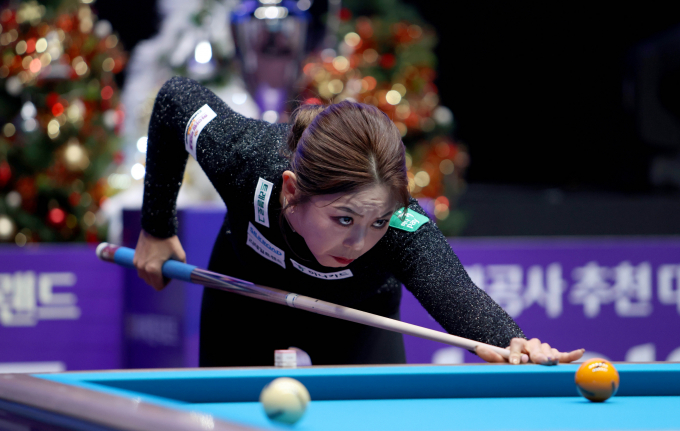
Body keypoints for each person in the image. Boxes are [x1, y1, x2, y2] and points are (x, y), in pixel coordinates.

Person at [134, 76, 584, 367]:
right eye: (344, 218)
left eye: (378, 221)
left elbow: (457, 294)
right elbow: (177, 99)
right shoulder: (246, 159)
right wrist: (157, 228)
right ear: (291, 191)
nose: (358, 242)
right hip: (245, 298)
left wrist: (511, 340)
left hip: (358, 319)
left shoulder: (403, 229)